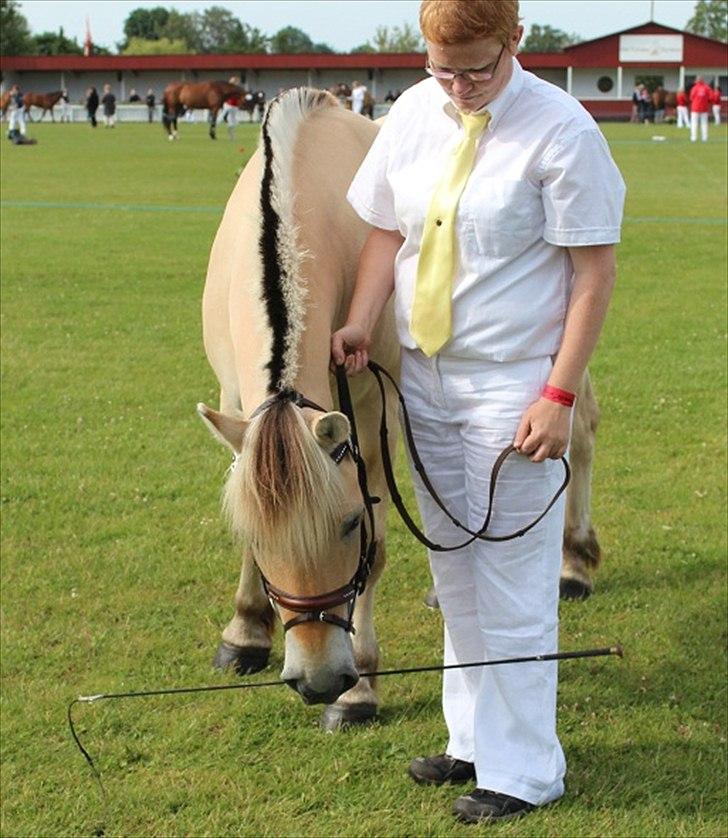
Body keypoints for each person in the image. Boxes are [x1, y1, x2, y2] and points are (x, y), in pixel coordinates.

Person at [331, 0, 625, 825]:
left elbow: (592, 275)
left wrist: (559, 394)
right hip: (424, 378)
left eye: (477, 68)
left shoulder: (562, 131)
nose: (458, 86)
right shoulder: (414, 114)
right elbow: (386, 235)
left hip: (516, 385)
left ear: (514, 42)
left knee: (514, 581)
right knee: (454, 570)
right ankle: (471, 741)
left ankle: (526, 772)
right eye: (440, 67)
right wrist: (360, 320)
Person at [689, 76, 711, 142]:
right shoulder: (707, 88)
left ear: (697, 81)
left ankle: (694, 138)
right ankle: (704, 138)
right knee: (704, 123)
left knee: (694, 123)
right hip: (704, 108)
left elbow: (691, 98)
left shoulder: (694, 88)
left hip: (695, 108)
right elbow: (710, 97)